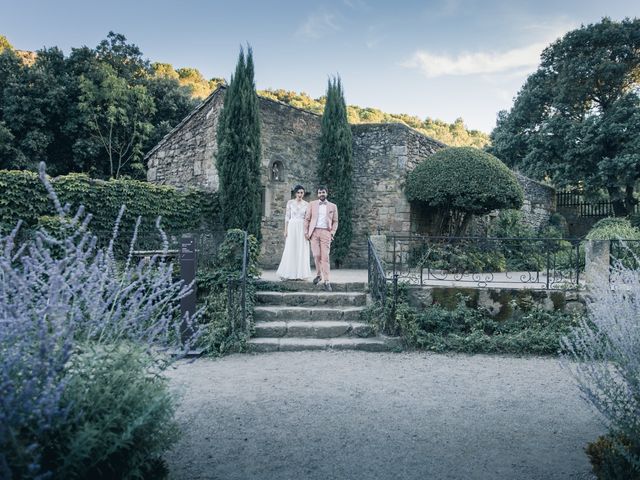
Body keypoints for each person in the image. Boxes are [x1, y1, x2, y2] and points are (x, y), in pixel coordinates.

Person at [304, 186, 338, 291]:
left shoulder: (333, 206)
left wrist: (332, 233)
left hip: (326, 233)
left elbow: (335, 221)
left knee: (325, 257)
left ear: (326, 193)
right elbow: (307, 219)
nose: (321, 194)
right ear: (317, 194)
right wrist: (306, 232)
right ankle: (319, 275)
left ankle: (327, 280)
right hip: (314, 232)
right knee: (316, 255)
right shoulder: (312, 204)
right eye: (319, 193)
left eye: (323, 192)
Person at [276, 185, 311, 280]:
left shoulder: (307, 204)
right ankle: (288, 273)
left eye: (302, 193)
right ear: (295, 193)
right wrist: (285, 230)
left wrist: (307, 231)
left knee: (301, 249)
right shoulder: (290, 203)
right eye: (298, 192)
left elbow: (307, 219)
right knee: (290, 248)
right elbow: (287, 217)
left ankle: (301, 274)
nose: (300, 194)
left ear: (304, 194)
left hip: (302, 227)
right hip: (292, 226)